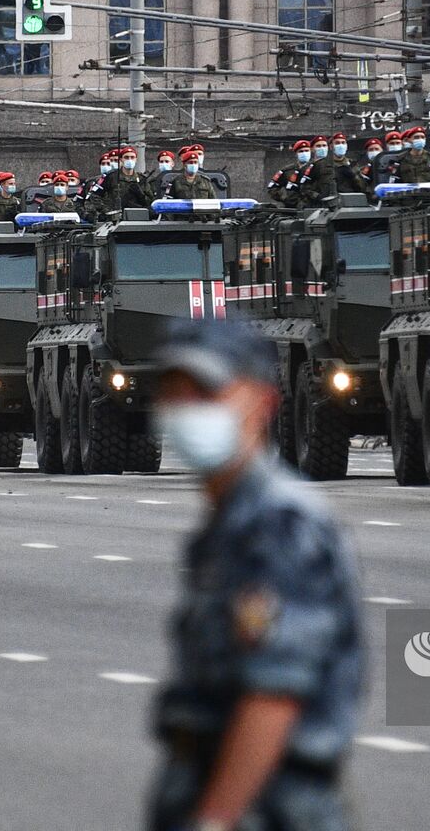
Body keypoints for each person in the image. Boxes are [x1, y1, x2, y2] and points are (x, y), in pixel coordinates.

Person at [146, 318, 363, 831]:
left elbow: (273, 695)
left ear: (262, 403)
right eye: (174, 393)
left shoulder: (279, 525)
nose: (186, 409)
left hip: (268, 805)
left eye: (207, 392)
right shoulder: (231, 521)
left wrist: (217, 819)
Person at [268, 141, 311, 208]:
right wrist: (284, 197)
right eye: (301, 151)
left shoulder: (316, 168)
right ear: (296, 154)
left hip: (311, 208)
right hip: (291, 208)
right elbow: (272, 187)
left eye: (307, 151)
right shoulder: (287, 170)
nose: (304, 153)